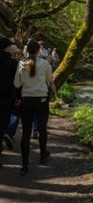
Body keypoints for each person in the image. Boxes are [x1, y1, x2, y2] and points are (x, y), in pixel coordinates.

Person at [14, 39, 57, 175]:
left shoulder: (21, 63)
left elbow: (17, 84)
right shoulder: (45, 64)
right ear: (39, 51)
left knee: (26, 133)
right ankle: (42, 154)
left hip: (26, 100)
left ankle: (24, 165)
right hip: (42, 100)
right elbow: (50, 80)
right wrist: (55, 94)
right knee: (42, 129)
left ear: (27, 50)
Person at [0, 37, 19, 165]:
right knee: (2, 124)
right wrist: (18, 97)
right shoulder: (13, 63)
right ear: (7, 48)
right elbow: (16, 83)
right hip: (5, 97)